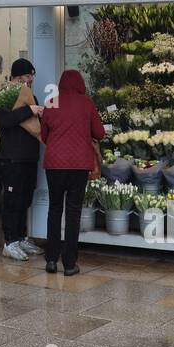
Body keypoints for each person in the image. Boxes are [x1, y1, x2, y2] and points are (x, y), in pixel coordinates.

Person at [38, 68, 104, 276]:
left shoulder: (51, 102)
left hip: (54, 165)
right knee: (73, 212)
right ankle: (69, 263)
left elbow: (44, 135)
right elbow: (99, 133)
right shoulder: (86, 103)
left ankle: (50, 260)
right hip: (78, 166)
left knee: (54, 210)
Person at [0, 58, 45, 262]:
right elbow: (4, 121)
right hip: (12, 158)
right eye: (27, 75)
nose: (31, 79)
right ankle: (10, 242)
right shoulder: (4, 95)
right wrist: (29, 110)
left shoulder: (30, 95)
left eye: (32, 75)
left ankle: (21, 237)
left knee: (25, 199)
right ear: (17, 76)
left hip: (29, 157)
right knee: (13, 201)